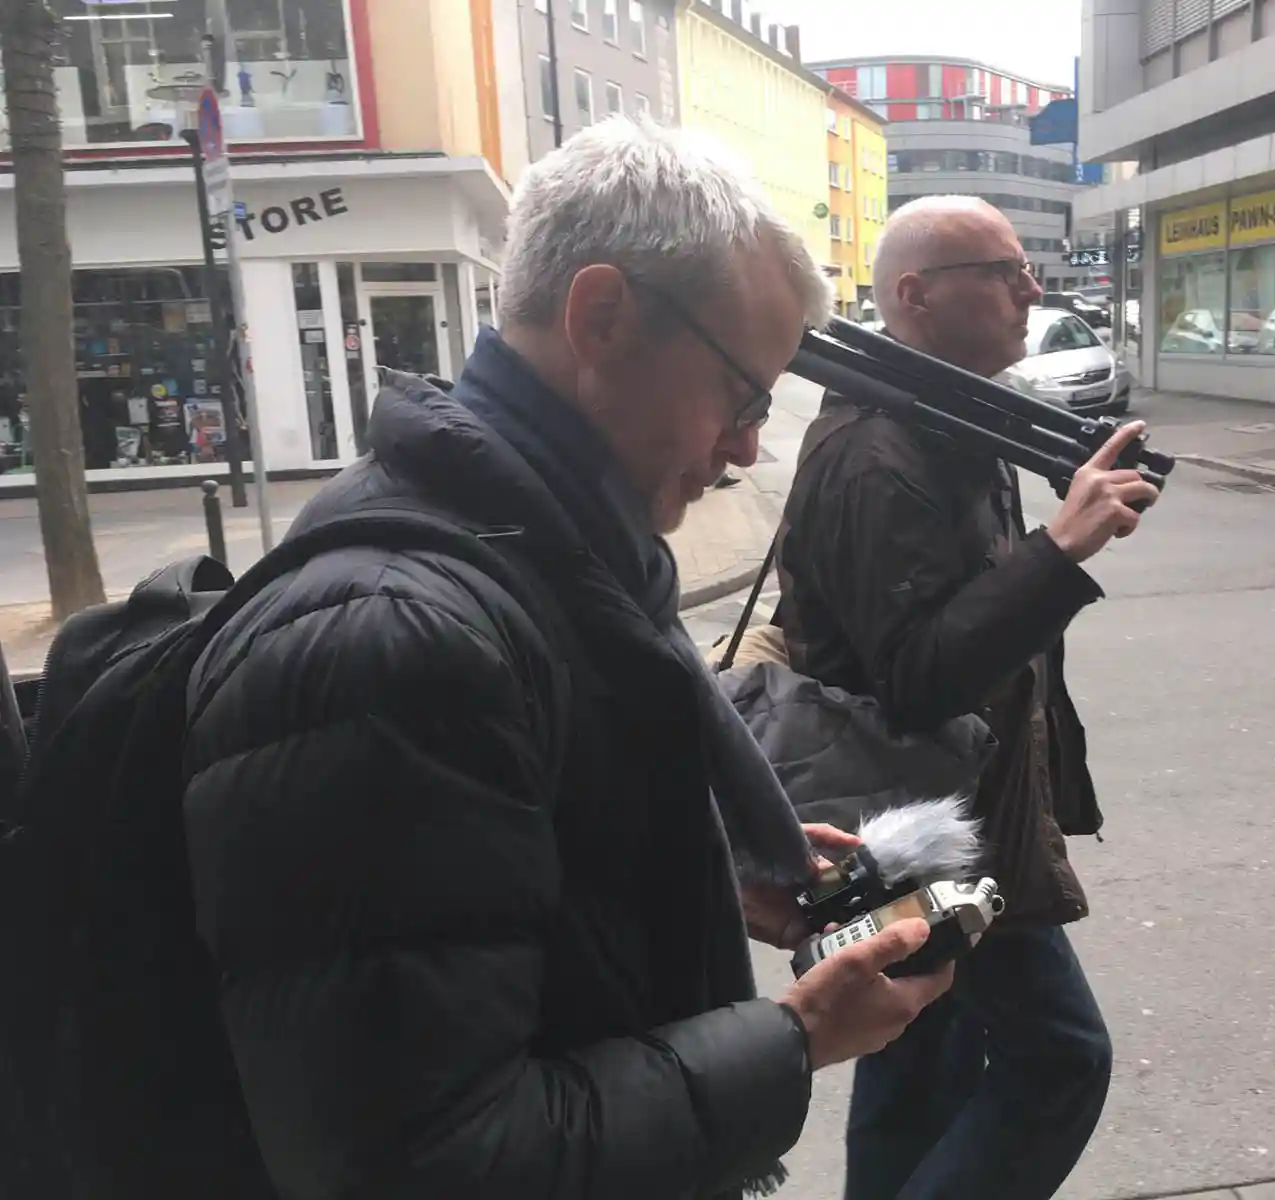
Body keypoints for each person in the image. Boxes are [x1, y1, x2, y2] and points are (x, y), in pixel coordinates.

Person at [179, 118, 952, 1200]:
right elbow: (416, 1164)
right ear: (601, 318)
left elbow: (488, 909)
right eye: (744, 395)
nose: (744, 447)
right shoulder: (398, 647)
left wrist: (692, 867)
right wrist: (793, 1037)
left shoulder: (552, 562)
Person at [775, 194, 1161, 1200]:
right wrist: (1060, 548)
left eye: (1023, 267)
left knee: (918, 1054)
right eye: (1000, 271)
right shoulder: (875, 452)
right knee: (1059, 1058)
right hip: (931, 828)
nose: (1029, 286)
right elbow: (914, 676)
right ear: (913, 296)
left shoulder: (947, 418)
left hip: (949, 813)